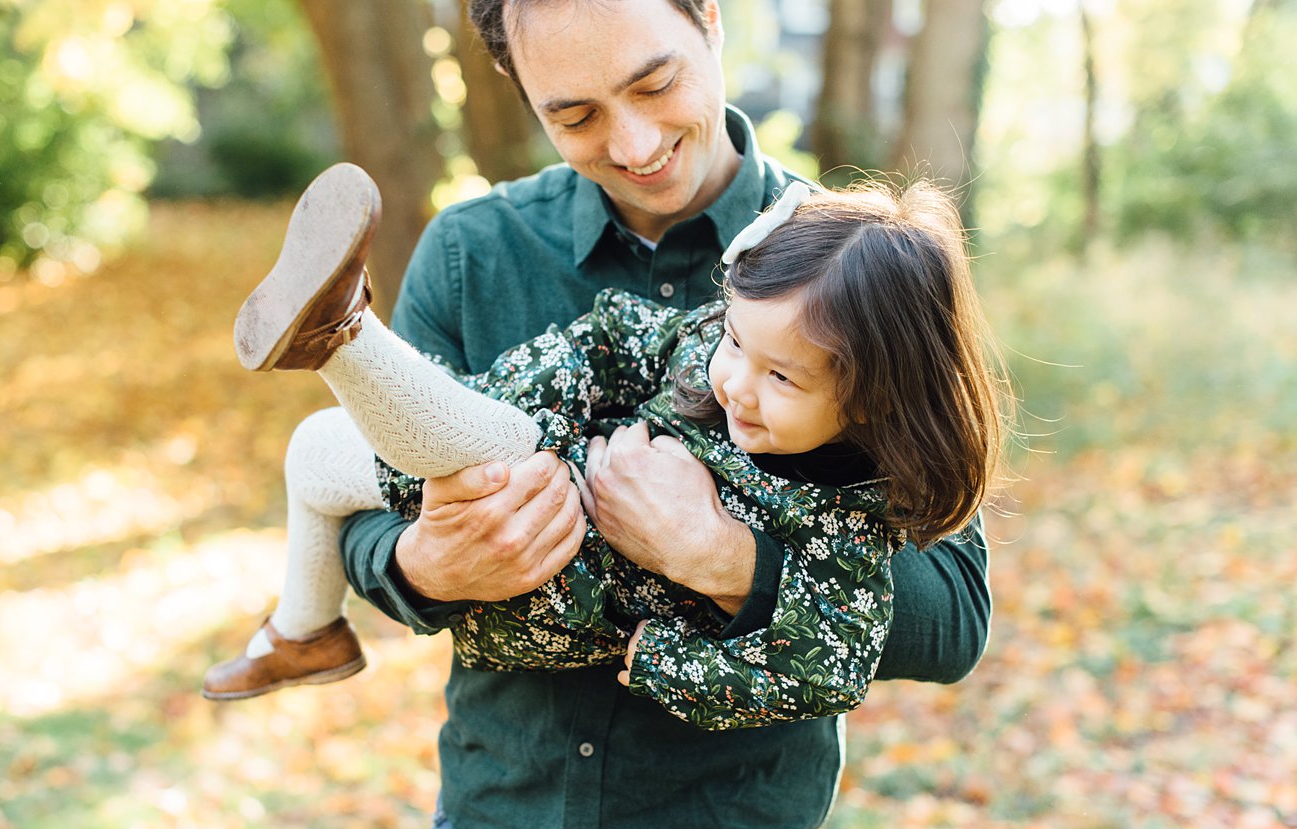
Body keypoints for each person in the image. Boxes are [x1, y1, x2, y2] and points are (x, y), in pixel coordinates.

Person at [224, 0, 993, 829]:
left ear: (710, 21)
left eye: (654, 83)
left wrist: (720, 556)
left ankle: (343, 337)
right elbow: (367, 524)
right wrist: (425, 563)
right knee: (377, 450)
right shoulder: (473, 252)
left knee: (466, 441)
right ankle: (340, 354)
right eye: (576, 113)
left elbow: (954, 621)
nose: (632, 143)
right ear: (519, 93)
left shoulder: (854, 273)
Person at [203, 164, 1006, 744]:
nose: (734, 383)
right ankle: (303, 633)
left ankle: (343, 333)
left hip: (573, 594)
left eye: (782, 378)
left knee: (508, 458)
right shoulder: (742, 323)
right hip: (525, 505)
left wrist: (665, 648)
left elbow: (816, 672)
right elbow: (615, 339)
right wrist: (425, 555)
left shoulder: (852, 532)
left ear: (873, 397)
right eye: (734, 341)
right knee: (320, 450)